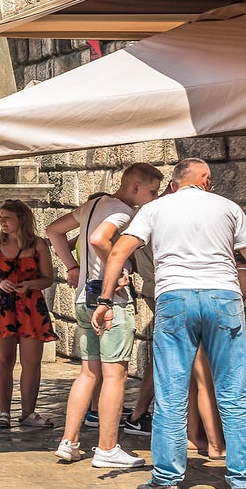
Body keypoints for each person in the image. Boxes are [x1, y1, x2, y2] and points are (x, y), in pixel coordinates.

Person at [95, 158, 246, 489]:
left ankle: (167, 479)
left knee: (171, 393)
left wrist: (105, 299)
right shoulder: (228, 207)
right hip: (224, 296)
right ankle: (243, 481)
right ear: (205, 181)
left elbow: (118, 250)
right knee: (234, 393)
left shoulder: (155, 209)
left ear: (175, 183)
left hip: (174, 298)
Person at [49, 163, 163, 467]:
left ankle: (68, 441)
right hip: (110, 301)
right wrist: (120, 268)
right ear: (135, 187)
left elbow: (53, 230)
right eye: (153, 191)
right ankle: (107, 448)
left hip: (83, 297)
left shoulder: (92, 204)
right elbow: (100, 239)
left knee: (88, 372)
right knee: (116, 374)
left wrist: (71, 266)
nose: (155, 197)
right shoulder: (124, 211)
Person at [0, 199, 56, 430]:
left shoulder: (38, 245)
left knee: (31, 362)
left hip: (30, 306)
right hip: (3, 307)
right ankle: (3, 412)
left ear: (21, 219)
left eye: (7, 217)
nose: (2, 222)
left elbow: (48, 278)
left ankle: (28, 412)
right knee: (3, 359)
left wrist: (30, 284)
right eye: (0, 218)